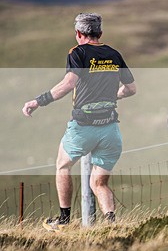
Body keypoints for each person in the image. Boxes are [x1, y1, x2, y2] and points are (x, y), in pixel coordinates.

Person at [22, 13, 136, 230]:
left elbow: (68, 84)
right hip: (111, 129)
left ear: (78, 34)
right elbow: (131, 89)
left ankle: (64, 220)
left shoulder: (78, 53)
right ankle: (112, 226)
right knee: (99, 183)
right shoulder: (114, 54)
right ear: (100, 33)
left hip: (84, 127)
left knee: (63, 166)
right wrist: (114, 96)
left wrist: (38, 101)